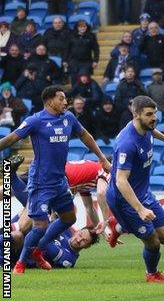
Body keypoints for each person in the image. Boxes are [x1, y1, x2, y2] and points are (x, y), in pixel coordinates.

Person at [0, 85, 110, 274]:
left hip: (60, 180)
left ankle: (38, 251)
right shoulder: (35, 120)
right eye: (61, 98)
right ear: (50, 101)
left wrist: (102, 157)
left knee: (69, 218)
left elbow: (85, 135)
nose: (65, 102)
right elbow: (11, 138)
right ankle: (21, 263)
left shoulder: (68, 118)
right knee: (40, 225)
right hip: (40, 181)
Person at [105, 95, 164, 282]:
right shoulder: (127, 143)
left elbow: (151, 131)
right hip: (124, 200)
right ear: (136, 115)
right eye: (149, 114)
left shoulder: (146, 126)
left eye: (155, 113)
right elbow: (120, 181)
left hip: (143, 193)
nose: (154, 118)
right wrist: (139, 209)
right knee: (153, 241)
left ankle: (119, 226)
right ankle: (152, 274)